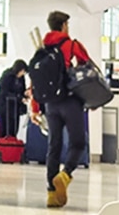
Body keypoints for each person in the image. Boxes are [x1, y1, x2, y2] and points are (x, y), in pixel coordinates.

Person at [30, 10, 90, 208]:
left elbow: (36, 82)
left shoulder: (42, 49)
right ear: (64, 25)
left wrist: (36, 108)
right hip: (70, 101)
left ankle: (51, 195)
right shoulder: (71, 44)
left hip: (50, 104)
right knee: (78, 143)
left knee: (53, 147)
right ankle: (64, 176)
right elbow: (87, 67)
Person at [0, 60, 29, 138]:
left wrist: (25, 95)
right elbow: (4, 92)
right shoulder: (7, 76)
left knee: (14, 129)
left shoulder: (21, 78)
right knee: (5, 129)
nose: (23, 74)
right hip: (5, 108)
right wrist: (19, 98)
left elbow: (21, 90)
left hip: (14, 108)